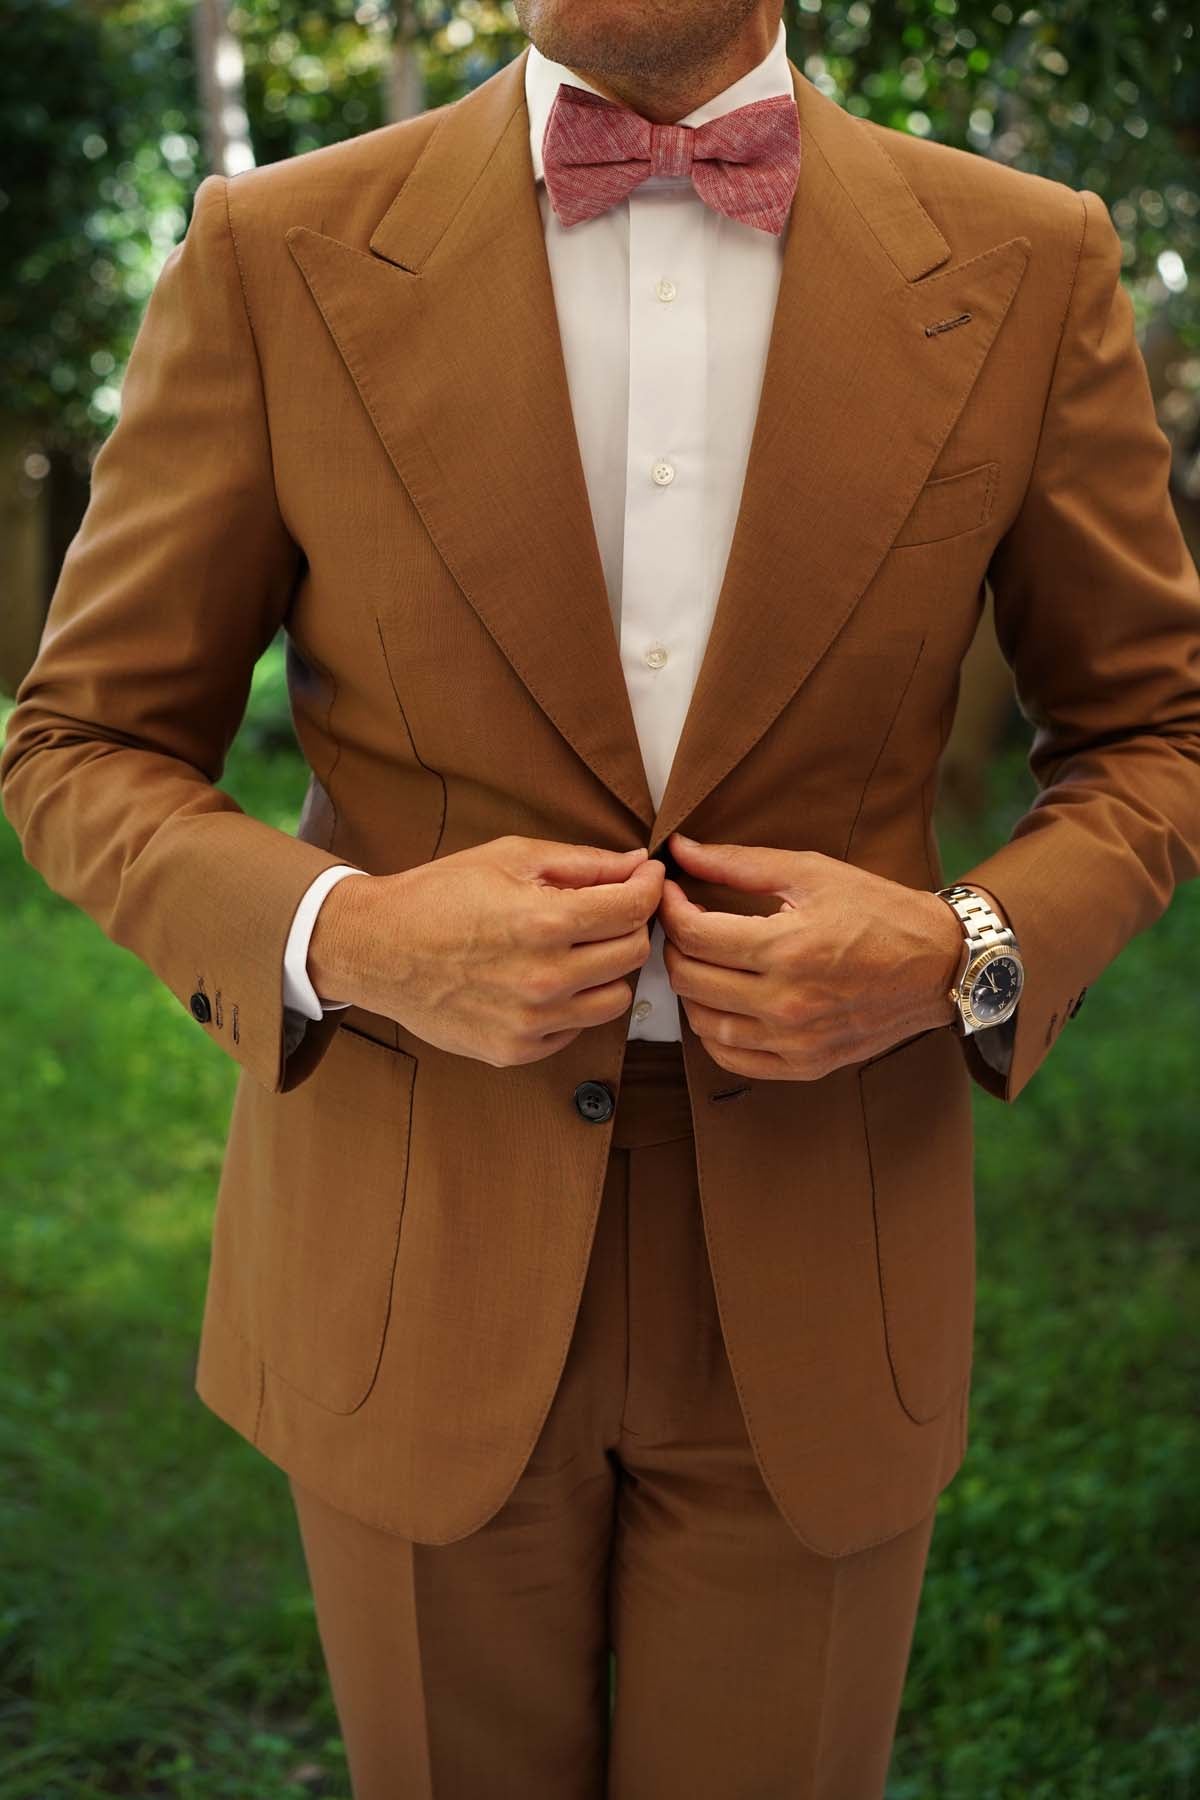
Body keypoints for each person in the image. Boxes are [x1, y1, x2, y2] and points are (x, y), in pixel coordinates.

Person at [4, 0, 1199, 1792]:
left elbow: (1155, 729)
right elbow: (80, 742)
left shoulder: (1030, 262)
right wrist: (354, 937)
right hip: (409, 1239)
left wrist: (969, 949)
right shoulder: (274, 251)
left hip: (826, 1241)